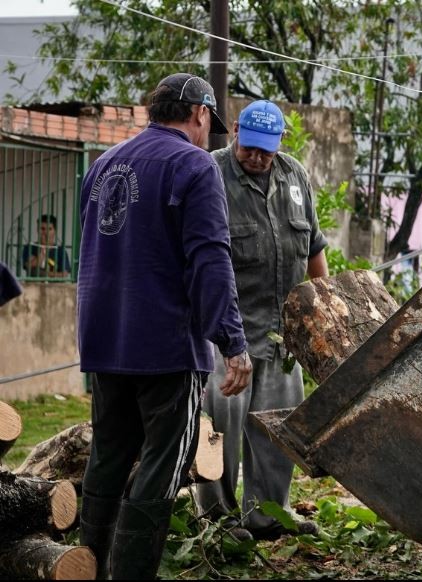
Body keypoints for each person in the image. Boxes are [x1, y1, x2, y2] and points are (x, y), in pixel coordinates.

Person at [76, 73, 252, 580]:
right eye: (208, 124)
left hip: (106, 340)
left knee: (107, 456)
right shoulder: (194, 165)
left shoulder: (102, 164)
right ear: (198, 114)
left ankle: (85, 566)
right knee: (163, 464)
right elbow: (211, 259)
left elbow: (98, 250)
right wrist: (232, 342)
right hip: (166, 344)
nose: (207, 134)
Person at [194, 100, 328, 541]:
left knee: (279, 432)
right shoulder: (210, 174)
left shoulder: (295, 176)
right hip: (226, 336)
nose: (256, 157)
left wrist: (321, 311)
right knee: (218, 436)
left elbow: (313, 249)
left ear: (280, 144)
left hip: (280, 337)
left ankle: (269, 514)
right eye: (248, 147)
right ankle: (216, 520)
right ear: (234, 130)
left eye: (265, 151)